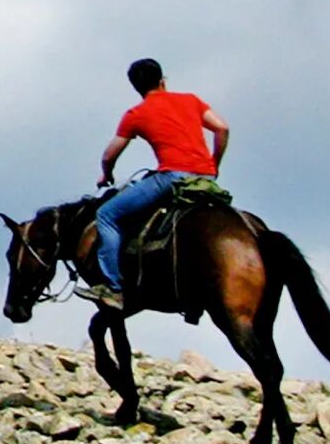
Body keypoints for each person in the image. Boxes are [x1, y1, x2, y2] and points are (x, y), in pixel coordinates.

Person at [86, 58, 230, 306]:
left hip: (172, 177)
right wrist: (213, 163)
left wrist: (106, 174)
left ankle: (113, 288)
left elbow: (109, 155)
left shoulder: (135, 114)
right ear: (162, 80)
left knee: (106, 214)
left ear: (136, 87)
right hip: (205, 178)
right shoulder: (191, 100)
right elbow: (222, 128)